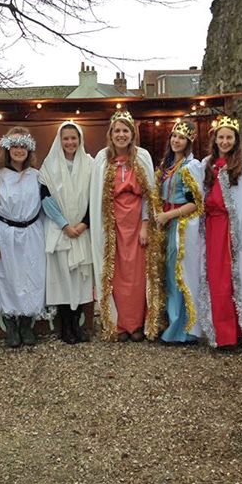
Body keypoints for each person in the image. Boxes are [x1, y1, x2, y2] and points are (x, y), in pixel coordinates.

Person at [89, 110, 163, 342]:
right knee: (116, 274)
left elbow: (148, 196)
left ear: (133, 134)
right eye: (117, 131)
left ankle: (137, 324)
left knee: (137, 274)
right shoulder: (102, 158)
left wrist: (144, 225)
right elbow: (96, 195)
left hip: (136, 224)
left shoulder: (142, 157)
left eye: (125, 131)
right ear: (110, 134)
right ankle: (119, 324)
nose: (121, 135)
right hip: (112, 226)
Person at [198, 117, 242, 357]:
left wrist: (240, 234)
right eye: (221, 137)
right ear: (215, 139)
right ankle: (220, 333)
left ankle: (238, 332)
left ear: (236, 140)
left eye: (229, 137)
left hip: (231, 229)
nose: (224, 141)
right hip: (212, 228)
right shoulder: (206, 164)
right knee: (216, 280)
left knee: (235, 280)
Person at [0, 126, 46, 348]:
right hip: (6, 234)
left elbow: (45, 208)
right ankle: (10, 325)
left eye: (23, 147)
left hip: (33, 234)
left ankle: (27, 324)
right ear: (8, 150)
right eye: (15, 146)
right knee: (7, 279)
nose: (19, 150)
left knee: (32, 277)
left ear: (29, 150)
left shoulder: (37, 176)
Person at [39, 121, 94, 344]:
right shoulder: (49, 165)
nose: (70, 142)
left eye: (74, 138)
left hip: (81, 230)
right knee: (62, 279)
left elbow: (95, 197)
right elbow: (45, 198)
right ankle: (65, 328)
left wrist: (83, 224)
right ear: (59, 141)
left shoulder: (90, 164)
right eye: (66, 138)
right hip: (60, 231)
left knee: (80, 279)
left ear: (80, 140)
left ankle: (78, 326)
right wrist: (64, 225)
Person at [154, 121, 203, 344]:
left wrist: (168, 216)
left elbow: (196, 203)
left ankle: (181, 328)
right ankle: (170, 322)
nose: (176, 141)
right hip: (166, 224)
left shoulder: (191, 167)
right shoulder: (168, 164)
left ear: (189, 142)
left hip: (180, 227)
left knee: (178, 276)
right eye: (174, 136)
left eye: (181, 138)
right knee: (167, 275)